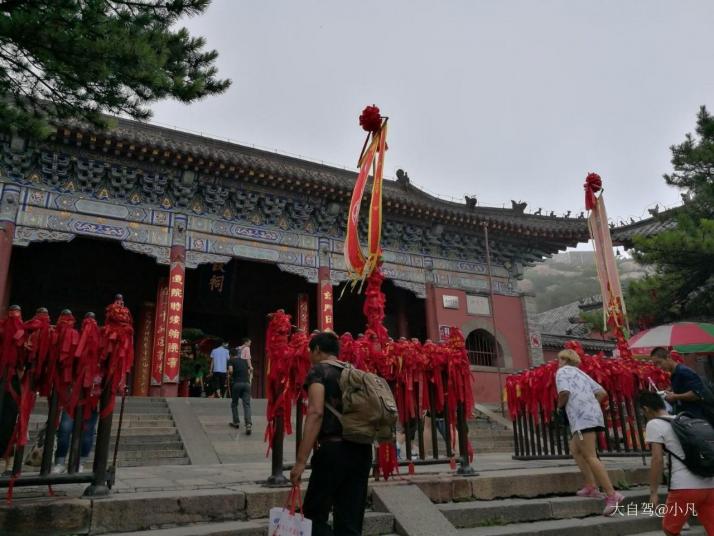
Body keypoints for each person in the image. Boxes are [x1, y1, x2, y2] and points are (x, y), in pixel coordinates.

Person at [290, 331, 372, 536]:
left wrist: (301, 461)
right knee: (350, 519)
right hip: (362, 450)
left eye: (310, 351)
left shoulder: (319, 371)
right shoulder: (355, 371)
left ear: (317, 349)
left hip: (334, 450)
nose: (309, 356)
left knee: (314, 514)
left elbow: (316, 412)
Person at [555, 349, 624, 516]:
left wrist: (558, 407)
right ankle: (591, 486)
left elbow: (564, 392)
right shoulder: (581, 373)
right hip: (592, 416)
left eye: (559, 359)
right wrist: (590, 404)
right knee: (575, 449)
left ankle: (612, 494)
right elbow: (602, 393)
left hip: (580, 419)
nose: (558, 362)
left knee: (590, 455)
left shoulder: (562, 372)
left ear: (564, 359)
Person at [639, 391, 714, 535]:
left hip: (684, 487)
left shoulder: (654, 424)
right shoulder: (683, 420)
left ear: (646, 409)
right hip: (710, 485)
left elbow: (657, 459)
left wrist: (653, 492)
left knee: (670, 529)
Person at [650, 347, 709, 421]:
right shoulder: (675, 373)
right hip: (687, 415)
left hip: (697, 417)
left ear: (668, 357)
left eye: (659, 362)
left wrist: (675, 396)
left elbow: (696, 394)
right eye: (655, 364)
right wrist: (671, 393)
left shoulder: (683, 371)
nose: (659, 367)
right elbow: (683, 391)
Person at [228, 346, 252, 433]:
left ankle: (236, 422)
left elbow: (230, 371)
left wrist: (230, 374)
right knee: (247, 404)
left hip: (237, 383)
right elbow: (249, 372)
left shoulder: (231, 360)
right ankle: (248, 424)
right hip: (247, 384)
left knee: (234, 403)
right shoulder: (244, 361)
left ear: (230, 355)